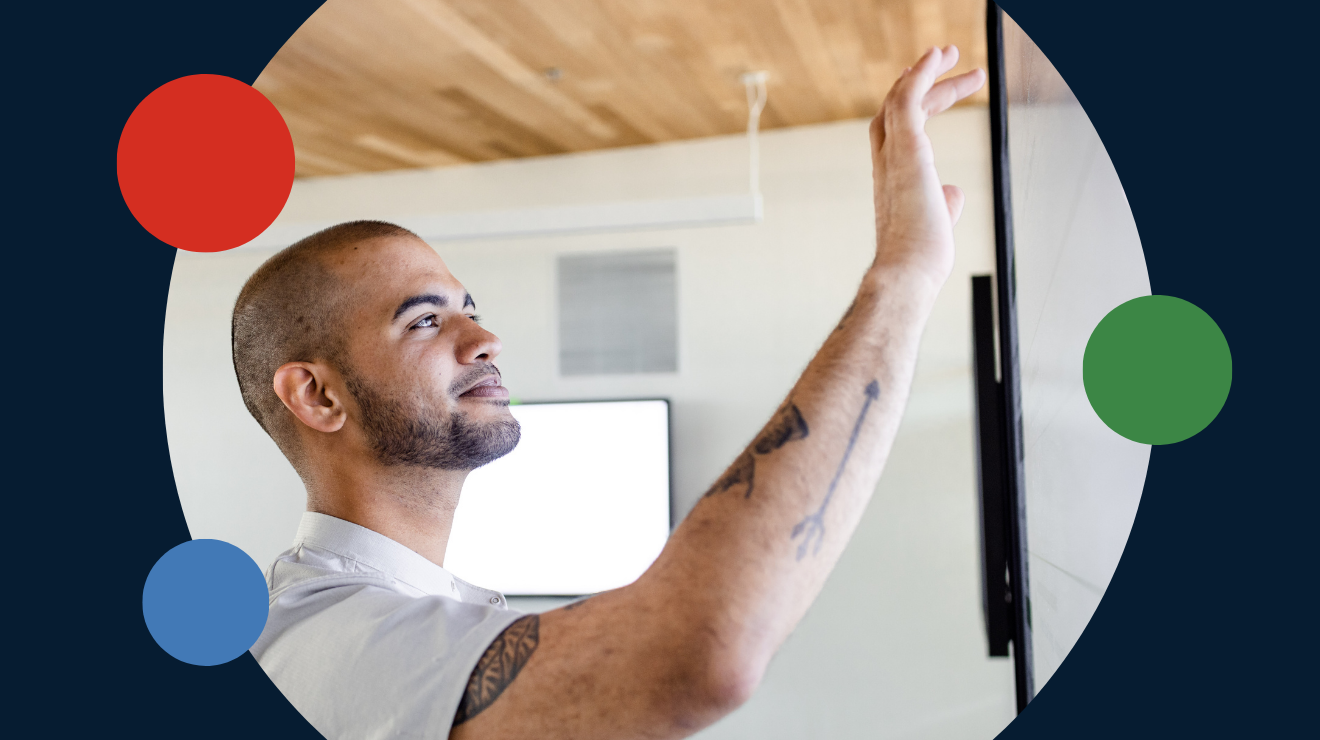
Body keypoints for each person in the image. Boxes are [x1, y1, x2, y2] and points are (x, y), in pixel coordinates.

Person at [238, 46, 984, 740]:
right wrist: (904, 277)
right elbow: (703, 646)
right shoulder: (331, 642)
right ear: (317, 396)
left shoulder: (425, 609)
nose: (483, 339)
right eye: (425, 320)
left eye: (472, 308)